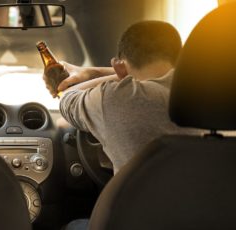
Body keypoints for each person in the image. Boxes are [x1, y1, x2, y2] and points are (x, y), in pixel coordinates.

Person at [47, 20, 199, 174]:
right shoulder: (206, 93)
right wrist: (96, 72)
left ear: (119, 66)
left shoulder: (117, 97)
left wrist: (97, 74)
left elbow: (66, 97)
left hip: (142, 198)